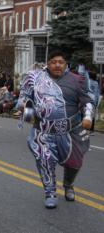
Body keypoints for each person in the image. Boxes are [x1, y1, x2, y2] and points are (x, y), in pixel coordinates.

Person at [17, 51, 94, 209]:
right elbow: (24, 99)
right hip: (43, 131)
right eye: (53, 62)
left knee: (74, 164)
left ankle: (68, 184)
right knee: (44, 160)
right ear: (48, 63)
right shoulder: (35, 79)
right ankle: (50, 192)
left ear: (66, 64)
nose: (57, 65)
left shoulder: (77, 80)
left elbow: (87, 101)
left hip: (71, 131)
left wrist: (88, 117)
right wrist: (25, 109)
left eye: (61, 62)